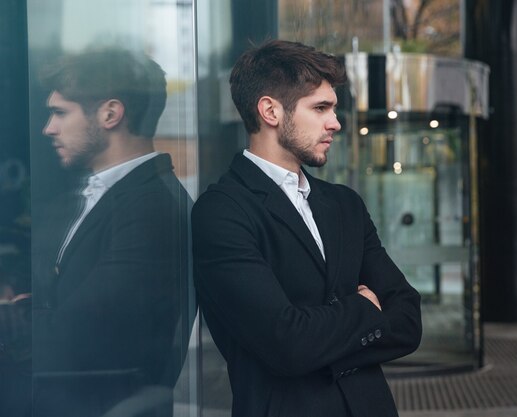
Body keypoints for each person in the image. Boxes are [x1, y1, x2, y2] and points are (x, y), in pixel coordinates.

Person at [192, 39, 422, 417]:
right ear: (270, 111)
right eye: (320, 108)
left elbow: (408, 320)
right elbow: (287, 343)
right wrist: (365, 308)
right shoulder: (221, 212)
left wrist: (322, 337)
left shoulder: (344, 205)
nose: (336, 122)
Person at [30, 48, 191, 417]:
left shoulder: (155, 209)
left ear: (110, 114)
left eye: (59, 112)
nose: (48, 128)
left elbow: (82, 333)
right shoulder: (87, 197)